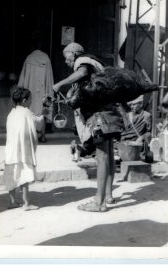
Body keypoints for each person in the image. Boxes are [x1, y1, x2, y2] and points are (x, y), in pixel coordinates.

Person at [53, 42, 123, 212]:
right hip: (110, 111)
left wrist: (60, 84)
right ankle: (108, 195)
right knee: (108, 155)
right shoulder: (96, 63)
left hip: (99, 115)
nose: (66, 62)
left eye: (66, 57)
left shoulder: (82, 61)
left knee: (102, 157)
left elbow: (82, 72)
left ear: (73, 53)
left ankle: (99, 203)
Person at [4, 87, 43, 211]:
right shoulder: (26, 112)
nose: (31, 101)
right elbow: (38, 123)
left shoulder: (12, 113)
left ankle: (12, 201)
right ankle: (26, 203)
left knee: (12, 175)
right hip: (23, 152)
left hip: (11, 152)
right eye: (30, 99)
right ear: (25, 100)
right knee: (24, 176)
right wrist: (44, 114)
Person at [18, 46, 54, 142]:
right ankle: (42, 136)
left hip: (30, 90)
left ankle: (30, 136)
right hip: (43, 90)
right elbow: (49, 77)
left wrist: (20, 88)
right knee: (43, 111)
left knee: (30, 112)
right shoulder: (46, 58)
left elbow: (23, 76)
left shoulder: (29, 58)